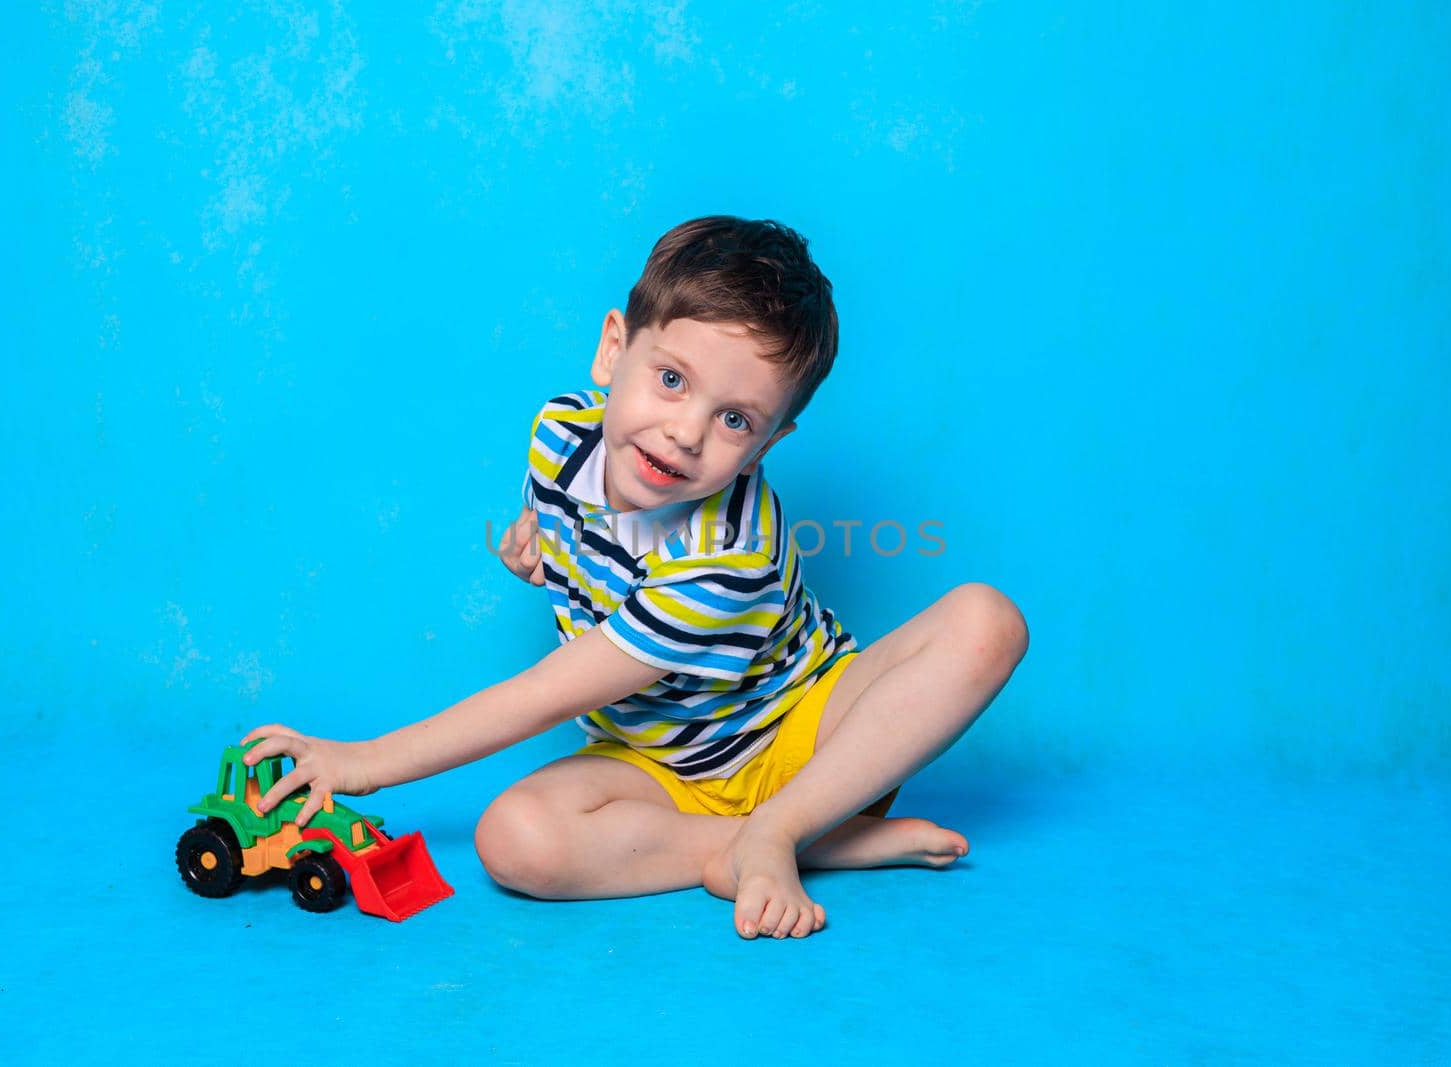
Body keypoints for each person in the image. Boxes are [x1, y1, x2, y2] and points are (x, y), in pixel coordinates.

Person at [241, 215, 1029, 940]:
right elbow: (573, 532)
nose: (684, 432)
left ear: (766, 445)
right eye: (673, 379)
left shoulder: (727, 554)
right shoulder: (560, 433)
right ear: (614, 351)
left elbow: (544, 693)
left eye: (735, 420)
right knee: (514, 839)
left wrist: (365, 761)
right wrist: (537, 547)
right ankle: (769, 845)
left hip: (810, 743)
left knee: (987, 621)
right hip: (655, 768)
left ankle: (790, 826)